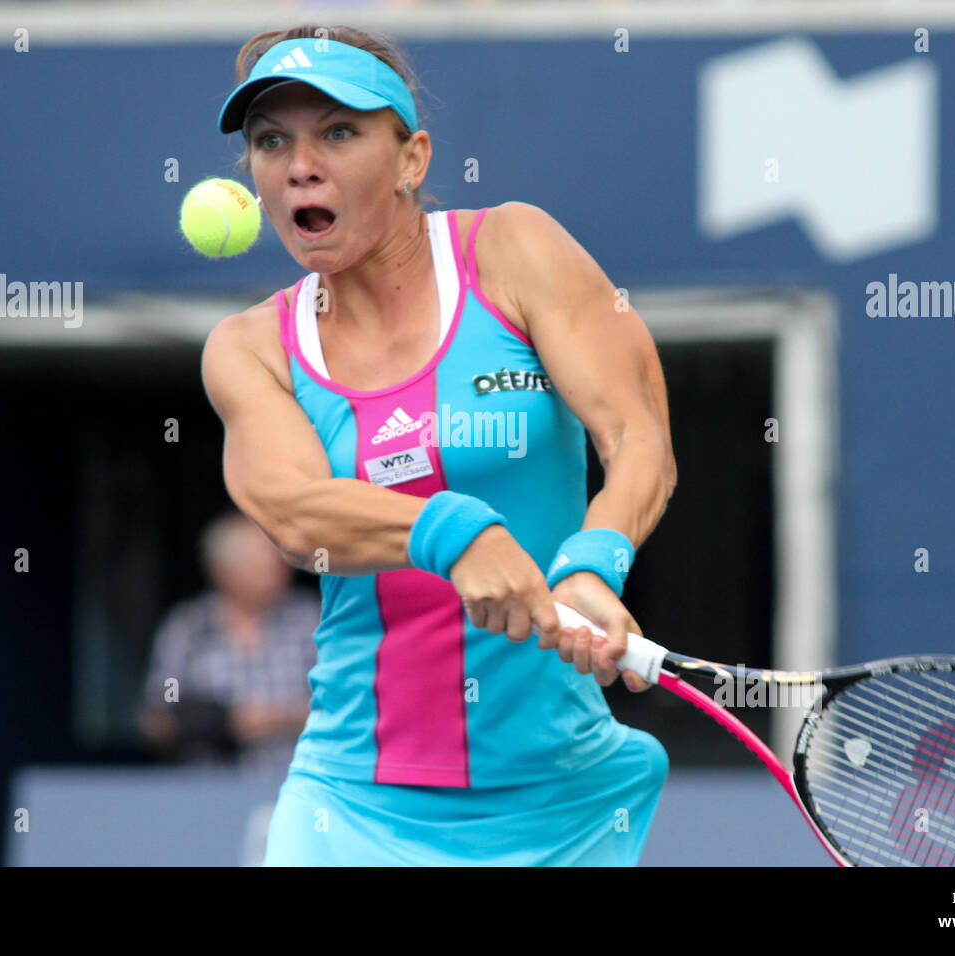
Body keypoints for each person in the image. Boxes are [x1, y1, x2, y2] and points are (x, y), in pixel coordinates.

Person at [201, 25, 677, 865]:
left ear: (412, 158)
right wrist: (455, 533)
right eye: (272, 141)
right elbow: (294, 514)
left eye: (338, 132)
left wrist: (594, 562)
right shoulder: (250, 348)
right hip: (353, 804)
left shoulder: (515, 250)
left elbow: (638, 437)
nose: (299, 164)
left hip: (563, 802)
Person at [138, 511, 319, 771]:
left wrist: (278, 719)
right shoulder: (188, 627)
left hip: (297, 786)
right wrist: (204, 720)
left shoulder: (311, 620)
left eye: (278, 558)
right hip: (206, 790)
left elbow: (349, 707)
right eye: (261, 561)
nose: (277, 568)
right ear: (224, 570)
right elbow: (160, 710)